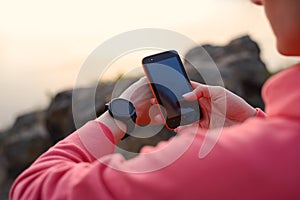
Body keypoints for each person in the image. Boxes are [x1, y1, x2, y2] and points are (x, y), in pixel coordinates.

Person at [10, 0, 300, 199]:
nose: (256, 1)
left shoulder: (217, 163)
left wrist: (117, 116)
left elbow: (31, 189)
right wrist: (255, 124)